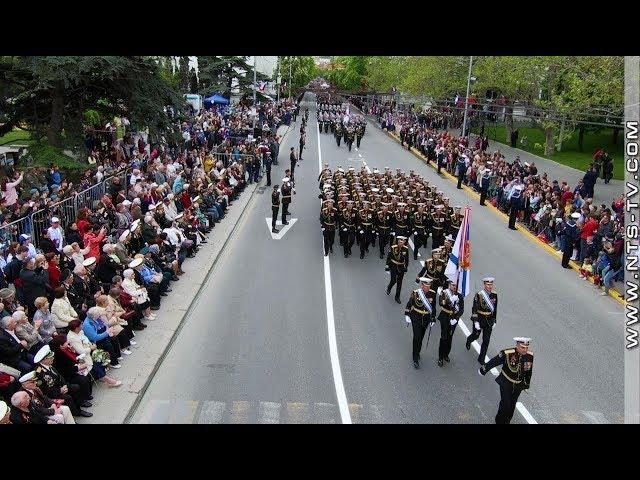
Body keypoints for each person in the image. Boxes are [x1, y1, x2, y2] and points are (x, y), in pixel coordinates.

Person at [478, 337, 534, 424]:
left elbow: (528, 372)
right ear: (517, 346)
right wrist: (484, 370)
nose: (525, 350)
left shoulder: (529, 356)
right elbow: (494, 361)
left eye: (527, 347)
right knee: (506, 404)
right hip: (506, 382)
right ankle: (499, 421)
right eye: (523, 347)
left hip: (518, 385)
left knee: (512, 405)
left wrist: (526, 384)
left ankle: (507, 421)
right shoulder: (507, 353)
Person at [32, 344, 93, 418]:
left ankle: (79, 403)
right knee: (68, 398)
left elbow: (59, 376)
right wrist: (60, 390)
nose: (53, 358)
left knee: (75, 387)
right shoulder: (39, 373)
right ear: (45, 360)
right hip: (53, 393)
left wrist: (65, 385)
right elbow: (46, 390)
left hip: (60, 387)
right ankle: (77, 412)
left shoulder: (49, 365)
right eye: (50, 357)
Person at [404, 277, 437, 369]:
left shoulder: (433, 294)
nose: (428, 288)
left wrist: (433, 319)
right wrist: (407, 314)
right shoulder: (416, 293)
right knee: (417, 337)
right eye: (426, 286)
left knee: (421, 337)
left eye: (429, 286)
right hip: (416, 317)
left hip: (426, 318)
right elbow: (409, 304)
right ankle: (415, 358)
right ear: (422, 285)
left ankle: (417, 351)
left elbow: (433, 308)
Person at [466, 277, 498, 363]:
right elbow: (474, 309)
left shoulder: (494, 294)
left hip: (489, 320)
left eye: (491, 284)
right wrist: (476, 321)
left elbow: (495, 309)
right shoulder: (479, 295)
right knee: (476, 335)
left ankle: (481, 359)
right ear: (484, 285)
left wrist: (494, 320)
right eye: (488, 284)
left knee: (486, 340)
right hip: (480, 319)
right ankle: (469, 340)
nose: (490, 286)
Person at [437, 280, 464, 367]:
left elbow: (461, 309)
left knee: (450, 337)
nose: (454, 287)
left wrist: (456, 318)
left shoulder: (459, 295)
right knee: (444, 337)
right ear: (449, 285)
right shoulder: (444, 293)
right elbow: (441, 302)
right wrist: (450, 300)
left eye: (455, 285)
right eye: (452, 285)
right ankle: (440, 357)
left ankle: (446, 354)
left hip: (454, 318)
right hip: (445, 316)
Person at [386, 236, 409, 304]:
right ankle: (389, 287)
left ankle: (397, 297)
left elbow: (407, 259)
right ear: (398, 241)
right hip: (393, 266)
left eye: (403, 242)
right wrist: (387, 265)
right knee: (393, 280)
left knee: (399, 283)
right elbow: (389, 257)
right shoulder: (393, 248)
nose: (401, 243)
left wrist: (406, 267)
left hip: (401, 266)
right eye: (400, 242)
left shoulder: (405, 249)